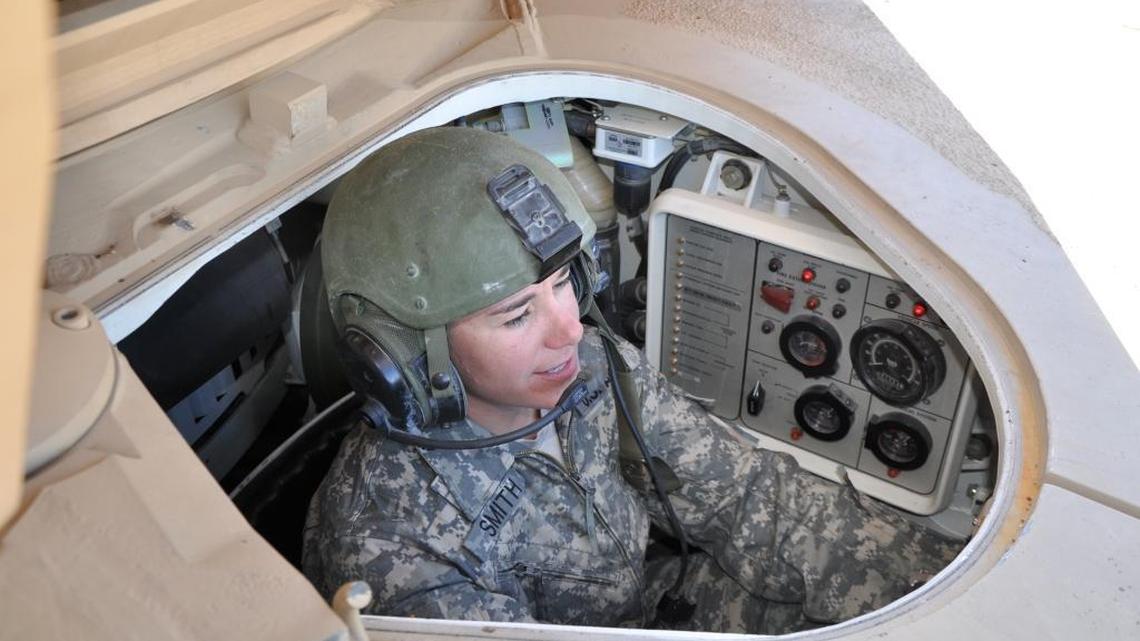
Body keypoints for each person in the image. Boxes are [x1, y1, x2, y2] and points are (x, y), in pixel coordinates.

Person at [302, 126, 961, 634]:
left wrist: (947, 591)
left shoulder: (592, 367)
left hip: (651, 604)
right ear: (399, 354)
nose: (569, 330)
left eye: (564, 283)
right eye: (517, 314)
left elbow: (747, 495)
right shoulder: (389, 545)